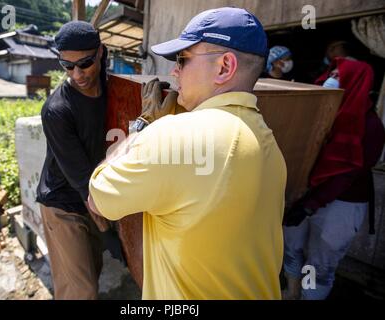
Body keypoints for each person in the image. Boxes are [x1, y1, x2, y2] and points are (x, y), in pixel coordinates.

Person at [87, 7, 287, 299]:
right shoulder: (269, 143)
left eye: (182, 59)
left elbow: (98, 198)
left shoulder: (170, 134)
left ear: (224, 67)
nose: (174, 71)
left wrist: (144, 125)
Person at [282, 55, 385, 300]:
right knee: (291, 249)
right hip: (301, 197)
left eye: (339, 76)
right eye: (331, 74)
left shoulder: (370, 127)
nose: (331, 79)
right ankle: (292, 292)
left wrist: (310, 206)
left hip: (341, 204)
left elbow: (348, 174)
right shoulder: (319, 115)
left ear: (355, 81)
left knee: (320, 266)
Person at [36, 21, 122, 300]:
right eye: (67, 66)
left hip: (93, 197)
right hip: (63, 204)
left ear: (100, 53)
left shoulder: (113, 91)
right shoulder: (57, 111)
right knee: (80, 292)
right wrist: (109, 233)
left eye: (84, 63)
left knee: (91, 273)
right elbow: (85, 185)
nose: (77, 74)